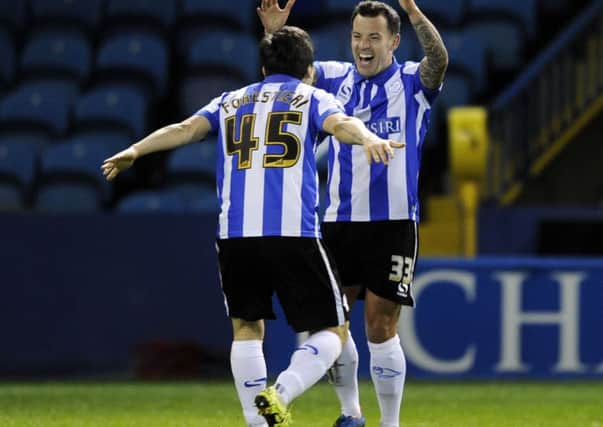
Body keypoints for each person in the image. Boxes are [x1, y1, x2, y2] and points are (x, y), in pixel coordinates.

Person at [101, 26, 403, 427]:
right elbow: (341, 125)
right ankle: (282, 392)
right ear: (309, 70)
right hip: (293, 231)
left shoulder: (230, 100)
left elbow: (185, 129)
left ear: (263, 68)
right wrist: (366, 138)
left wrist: (135, 150)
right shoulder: (313, 97)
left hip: (236, 234)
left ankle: (258, 423)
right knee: (334, 328)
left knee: (246, 327)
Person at [257, 1, 448, 426]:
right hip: (338, 223)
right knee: (330, 322)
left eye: (374, 37)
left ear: (394, 41)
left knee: (380, 327)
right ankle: (351, 413)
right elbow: (283, 81)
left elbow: (440, 60)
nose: (363, 45)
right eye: (357, 36)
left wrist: (415, 13)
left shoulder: (412, 80)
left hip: (394, 224)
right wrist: (274, 35)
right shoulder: (335, 77)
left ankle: (390, 422)